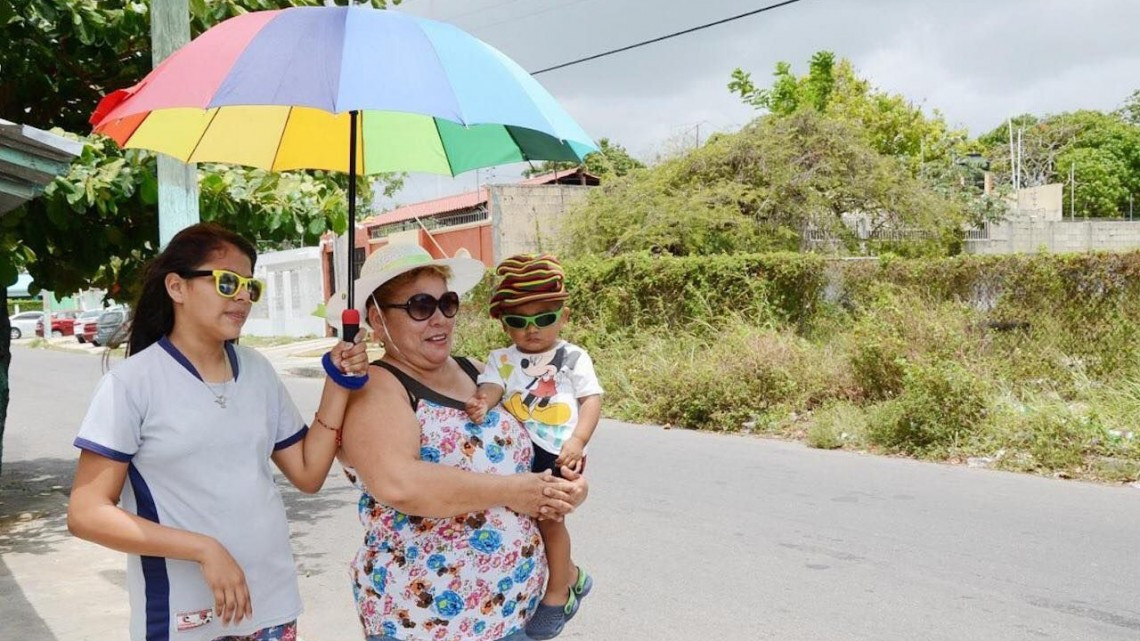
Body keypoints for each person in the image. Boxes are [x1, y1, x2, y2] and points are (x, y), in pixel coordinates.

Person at [67, 223, 370, 641]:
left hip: (272, 606)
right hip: (185, 618)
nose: (243, 296)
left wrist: (337, 383)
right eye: (228, 282)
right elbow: (86, 514)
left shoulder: (258, 370)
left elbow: (308, 473)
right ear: (177, 287)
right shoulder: (132, 384)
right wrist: (203, 549)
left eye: (250, 285)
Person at [334, 243, 589, 641]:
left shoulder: (478, 371)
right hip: (424, 623)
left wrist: (562, 488)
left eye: (447, 303)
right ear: (378, 321)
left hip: (512, 611)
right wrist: (513, 491)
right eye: (420, 306)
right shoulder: (377, 388)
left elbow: (539, 440)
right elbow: (399, 483)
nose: (439, 319)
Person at [464, 254, 601, 640]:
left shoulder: (573, 357)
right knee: (523, 519)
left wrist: (577, 441)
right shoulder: (501, 359)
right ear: (504, 323)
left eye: (543, 319)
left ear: (564, 316)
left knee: (549, 518)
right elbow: (492, 385)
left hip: (558, 451)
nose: (532, 330)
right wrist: (483, 401)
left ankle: (558, 594)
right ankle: (574, 575)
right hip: (517, 453)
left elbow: (591, 400)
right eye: (518, 322)